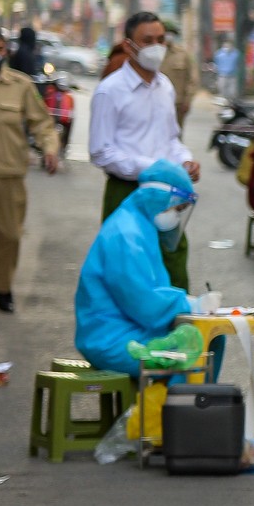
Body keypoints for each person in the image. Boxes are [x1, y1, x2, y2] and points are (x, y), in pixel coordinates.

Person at [88, 11, 199, 290]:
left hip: (165, 194)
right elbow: (100, 151)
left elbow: (171, 139)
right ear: (129, 45)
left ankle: (176, 329)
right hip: (126, 191)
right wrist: (147, 167)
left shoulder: (165, 87)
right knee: (125, 273)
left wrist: (185, 160)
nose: (156, 47)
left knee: (173, 265)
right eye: (147, 40)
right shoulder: (110, 91)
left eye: (161, 39)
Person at [0, 26, 60, 319]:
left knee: (10, 235)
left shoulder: (20, 85)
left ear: (6, 51)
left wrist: (50, 148)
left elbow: (41, 123)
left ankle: (2, 288)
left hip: (10, 174)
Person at [73, 160, 204, 375]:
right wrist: (189, 304)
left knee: (203, 341)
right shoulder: (127, 234)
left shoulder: (139, 225)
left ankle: (166, 405)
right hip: (113, 339)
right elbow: (143, 302)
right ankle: (161, 408)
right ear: (160, 198)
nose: (176, 216)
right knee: (195, 349)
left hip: (124, 331)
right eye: (177, 208)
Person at [159, 21, 204, 128]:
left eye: (171, 33)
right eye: (166, 33)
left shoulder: (183, 54)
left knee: (176, 135)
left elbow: (193, 79)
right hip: (156, 103)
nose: (168, 36)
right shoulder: (153, 54)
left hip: (177, 104)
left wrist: (187, 100)